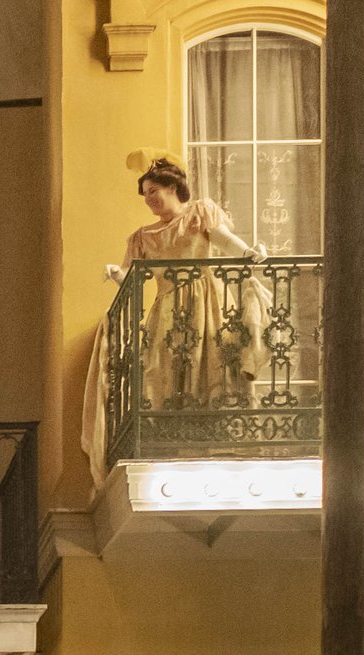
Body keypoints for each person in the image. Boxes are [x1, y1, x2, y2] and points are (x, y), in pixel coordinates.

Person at [81, 156, 269, 476]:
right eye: (144, 195)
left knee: (216, 361)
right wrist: (115, 273)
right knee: (166, 367)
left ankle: (220, 437)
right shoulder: (144, 235)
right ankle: (178, 437)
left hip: (208, 298)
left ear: (172, 187)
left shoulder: (199, 213)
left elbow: (224, 241)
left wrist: (249, 253)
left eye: (153, 191)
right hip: (169, 307)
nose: (149, 199)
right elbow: (130, 277)